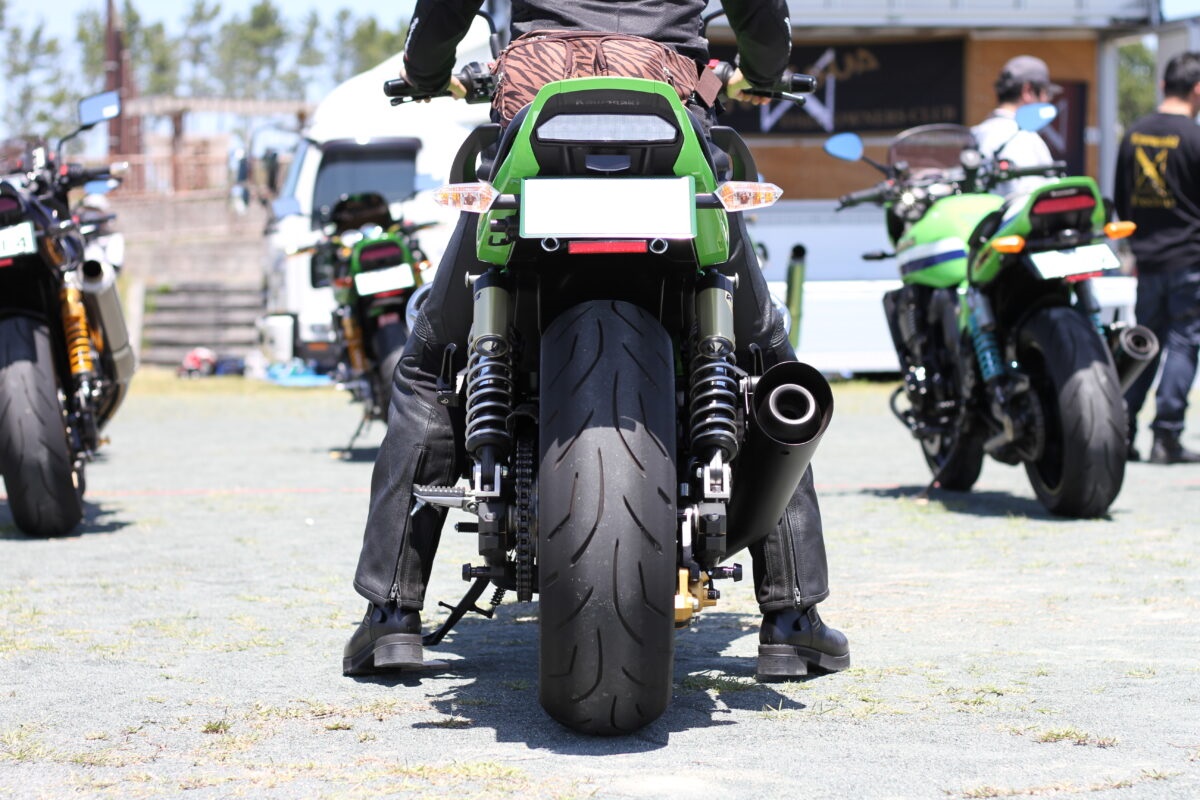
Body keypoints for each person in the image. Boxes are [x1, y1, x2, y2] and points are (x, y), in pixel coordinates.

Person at [343, 0, 850, 681]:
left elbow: (445, 8)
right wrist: (763, 70)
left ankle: (391, 616)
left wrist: (425, 71)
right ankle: (791, 618)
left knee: (430, 368)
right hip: (669, 125)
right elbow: (759, 12)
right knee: (764, 364)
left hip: (537, 119)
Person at [1113, 51, 1200, 465]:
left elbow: (1121, 199)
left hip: (1146, 261)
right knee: (1184, 343)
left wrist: (1138, 245)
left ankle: (1122, 430)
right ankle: (1166, 437)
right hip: (1189, 260)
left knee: (1144, 345)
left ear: (1163, 85)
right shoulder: (1195, 138)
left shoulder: (1133, 134)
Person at [971, 55, 1061, 196]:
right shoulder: (1025, 139)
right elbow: (1035, 198)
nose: (1047, 100)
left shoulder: (976, 133)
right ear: (1028, 91)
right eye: (1046, 93)